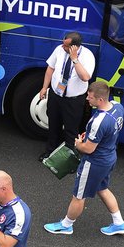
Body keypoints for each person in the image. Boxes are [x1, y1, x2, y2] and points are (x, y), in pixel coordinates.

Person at [44, 81, 124, 237]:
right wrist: (90, 136)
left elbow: (88, 149)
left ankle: (66, 225)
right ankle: (119, 223)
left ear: (100, 100)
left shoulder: (99, 121)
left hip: (94, 162)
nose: (87, 100)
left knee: (79, 195)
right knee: (102, 188)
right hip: (109, 157)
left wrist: (78, 144)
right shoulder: (117, 107)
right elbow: (104, 134)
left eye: (90, 98)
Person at [37, 32, 94, 160]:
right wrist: (44, 87)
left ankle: (68, 158)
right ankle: (50, 152)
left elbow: (85, 77)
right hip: (56, 95)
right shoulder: (59, 50)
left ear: (75, 47)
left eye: (66, 46)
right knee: (53, 125)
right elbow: (50, 69)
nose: (63, 47)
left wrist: (74, 59)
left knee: (71, 129)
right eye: (63, 43)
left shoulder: (87, 56)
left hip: (73, 100)